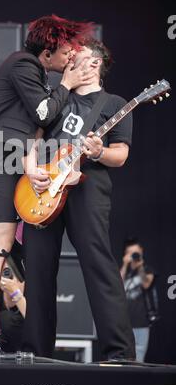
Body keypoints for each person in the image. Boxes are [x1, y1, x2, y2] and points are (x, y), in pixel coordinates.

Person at [0, 15, 94, 355]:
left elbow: (31, 128)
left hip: (12, 160)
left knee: (12, 244)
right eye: (66, 51)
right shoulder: (23, 64)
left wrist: (31, 165)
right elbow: (42, 115)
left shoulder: (35, 74)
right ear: (48, 51)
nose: (70, 57)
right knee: (0, 242)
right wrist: (66, 84)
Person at [21, 37, 136, 361]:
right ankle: (35, 352)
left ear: (95, 63)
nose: (70, 59)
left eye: (79, 56)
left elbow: (121, 156)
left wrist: (100, 151)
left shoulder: (115, 103)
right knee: (39, 271)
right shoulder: (55, 98)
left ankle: (120, 353)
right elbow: (34, 139)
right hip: (43, 187)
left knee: (98, 264)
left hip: (88, 186)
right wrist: (31, 170)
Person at [120, 237, 157, 362]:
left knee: (139, 360)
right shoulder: (125, 271)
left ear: (141, 251)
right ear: (126, 254)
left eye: (136, 252)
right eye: (130, 253)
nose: (134, 255)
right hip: (124, 324)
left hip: (141, 323)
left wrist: (140, 267)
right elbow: (117, 286)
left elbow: (146, 284)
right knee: (123, 360)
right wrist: (125, 265)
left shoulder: (147, 270)